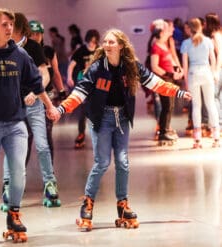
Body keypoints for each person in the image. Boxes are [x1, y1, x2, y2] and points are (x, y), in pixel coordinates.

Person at [55, 28, 191, 231]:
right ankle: (88, 204)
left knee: (123, 162)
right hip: (101, 119)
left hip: (122, 118)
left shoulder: (130, 67)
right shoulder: (96, 68)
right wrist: (62, 108)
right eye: (105, 42)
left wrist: (178, 91)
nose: (107, 45)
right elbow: (80, 92)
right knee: (102, 162)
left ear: (120, 46)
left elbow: (155, 83)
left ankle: (122, 205)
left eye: (111, 42)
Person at [0, 8, 59, 246]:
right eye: (4, 24)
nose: (9, 29)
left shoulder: (20, 55)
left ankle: (13, 215)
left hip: (16, 124)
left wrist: (49, 107)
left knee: (18, 174)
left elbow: (36, 83)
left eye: (11, 24)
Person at [0, 13, 61, 212]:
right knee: (13, 148)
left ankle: (50, 183)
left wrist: (36, 93)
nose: (7, 28)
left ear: (18, 27)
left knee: (42, 145)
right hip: (12, 106)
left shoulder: (33, 47)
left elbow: (44, 74)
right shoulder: (3, 47)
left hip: (34, 104)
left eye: (10, 25)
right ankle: (8, 185)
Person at [29, 19, 67, 163]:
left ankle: (49, 173)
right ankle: (19, 175)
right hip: (28, 98)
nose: (35, 37)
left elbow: (56, 72)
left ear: (42, 35)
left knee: (46, 133)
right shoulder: (22, 52)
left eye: (38, 34)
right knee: (27, 136)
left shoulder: (49, 51)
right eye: (31, 34)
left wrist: (62, 90)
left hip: (47, 96)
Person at [181, 18, 220, 148]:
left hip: (193, 74)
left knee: (196, 106)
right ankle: (216, 137)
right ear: (201, 27)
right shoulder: (208, 41)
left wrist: (186, 82)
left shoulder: (186, 43)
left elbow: (185, 66)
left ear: (189, 28)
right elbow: (213, 59)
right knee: (211, 104)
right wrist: (214, 73)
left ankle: (197, 140)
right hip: (206, 72)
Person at [150, 19, 183, 145]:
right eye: (165, 30)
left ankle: (166, 129)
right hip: (164, 80)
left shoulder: (165, 45)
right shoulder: (156, 47)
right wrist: (170, 74)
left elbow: (170, 60)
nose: (168, 32)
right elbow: (155, 67)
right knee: (166, 106)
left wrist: (177, 69)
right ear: (160, 32)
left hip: (170, 79)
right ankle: (163, 132)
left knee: (170, 106)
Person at [66, 29, 100, 149]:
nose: (92, 44)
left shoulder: (99, 50)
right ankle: (81, 134)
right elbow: (71, 65)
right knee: (83, 111)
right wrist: (69, 77)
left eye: (94, 42)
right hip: (84, 82)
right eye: (90, 42)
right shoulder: (81, 51)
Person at [205, 13, 222, 135]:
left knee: (215, 97)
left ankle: (219, 124)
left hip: (218, 69)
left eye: (205, 22)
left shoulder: (216, 36)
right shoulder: (217, 34)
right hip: (218, 69)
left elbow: (220, 53)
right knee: (218, 97)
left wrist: (216, 70)